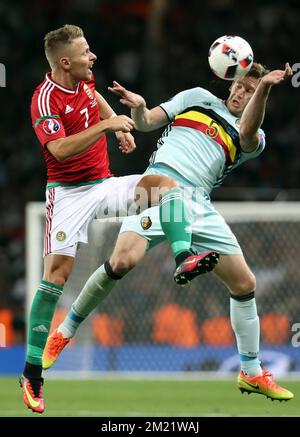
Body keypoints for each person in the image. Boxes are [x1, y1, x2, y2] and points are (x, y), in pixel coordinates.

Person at [43, 60, 294, 403]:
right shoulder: (198, 97)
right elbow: (146, 123)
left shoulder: (255, 135)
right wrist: (142, 107)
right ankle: (65, 330)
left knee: (245, 283)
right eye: (239, 85)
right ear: (230, 82)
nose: (241, 92)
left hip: (198, 204)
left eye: (250, 90)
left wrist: (264, 87)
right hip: (157, 187)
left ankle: (251, 373)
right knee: (122, 260)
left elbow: (247, 133)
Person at [20, 24, 218, 414]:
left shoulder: (84, 84)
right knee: (55, 278)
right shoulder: (44, 100)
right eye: (85, 52)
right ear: (64, 62)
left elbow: (94, 99)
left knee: (166, 187)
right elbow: (58, 150)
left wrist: (118, 130)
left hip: (104, 187)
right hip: (68, 196)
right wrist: (106, 127)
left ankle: (184, 258)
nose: (92, 57)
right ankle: (32, 373)